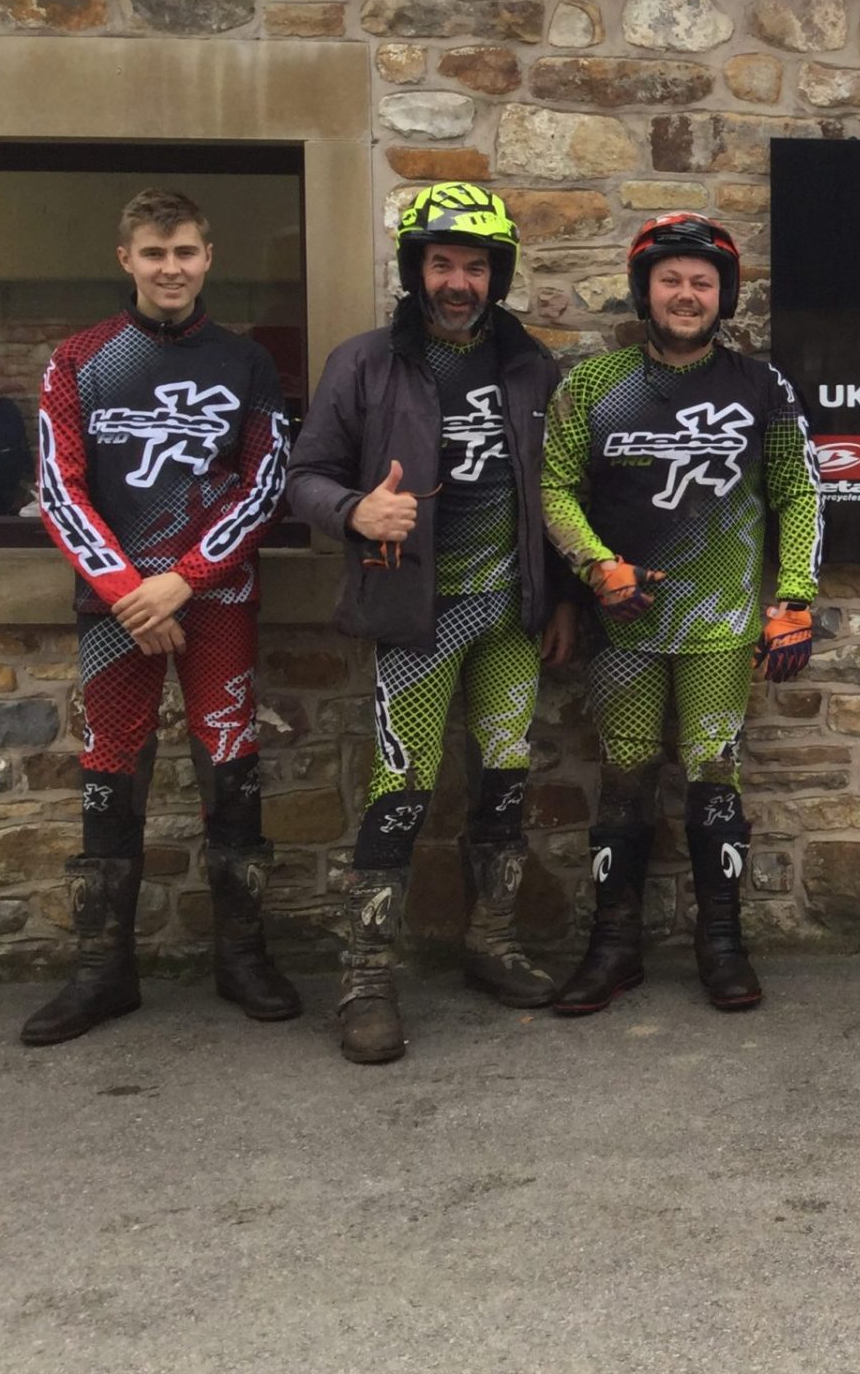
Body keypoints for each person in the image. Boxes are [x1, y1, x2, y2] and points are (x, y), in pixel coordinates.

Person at [288, 182, 576, 1064]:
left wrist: (561, 596)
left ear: (498, 276)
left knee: (503, 782)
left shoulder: (531, 364)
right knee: (400, 791)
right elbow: (302, 476)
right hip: (418, 615)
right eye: (443, 263)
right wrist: (352, 512)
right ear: (416, 270)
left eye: (476, 266)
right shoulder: (365, 361)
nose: (459, 281)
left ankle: (490, 940)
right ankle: (367, 976)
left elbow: (561, 489)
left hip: (510, 615)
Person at [21, 188, 295, 1045]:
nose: (170, 268)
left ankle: (242, 956)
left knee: (230, 760)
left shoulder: (248, 363)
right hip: (115, 606)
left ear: (208, 258)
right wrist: (127, 589)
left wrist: (181, 578)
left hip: (214, 599)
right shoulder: (78, 360)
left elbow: (267, 484)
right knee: (111, 766)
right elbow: (59, 488)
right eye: (153, 253)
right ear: (126, 260)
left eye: (184, 253)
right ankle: (104, 972)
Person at [541, 213, 822, 1014]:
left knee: (713, 778)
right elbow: (556, 486)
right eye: (671, 279)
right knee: (624, 780)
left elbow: (799, 492)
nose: (687, 294)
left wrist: (794, 596)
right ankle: (613, 947)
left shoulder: (762, 387)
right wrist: (596, 566)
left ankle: (722, 943)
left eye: (703, 281)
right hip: (623, 621)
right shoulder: (592, 388)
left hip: (723, 626)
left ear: (723, 294)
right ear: (645, 290)